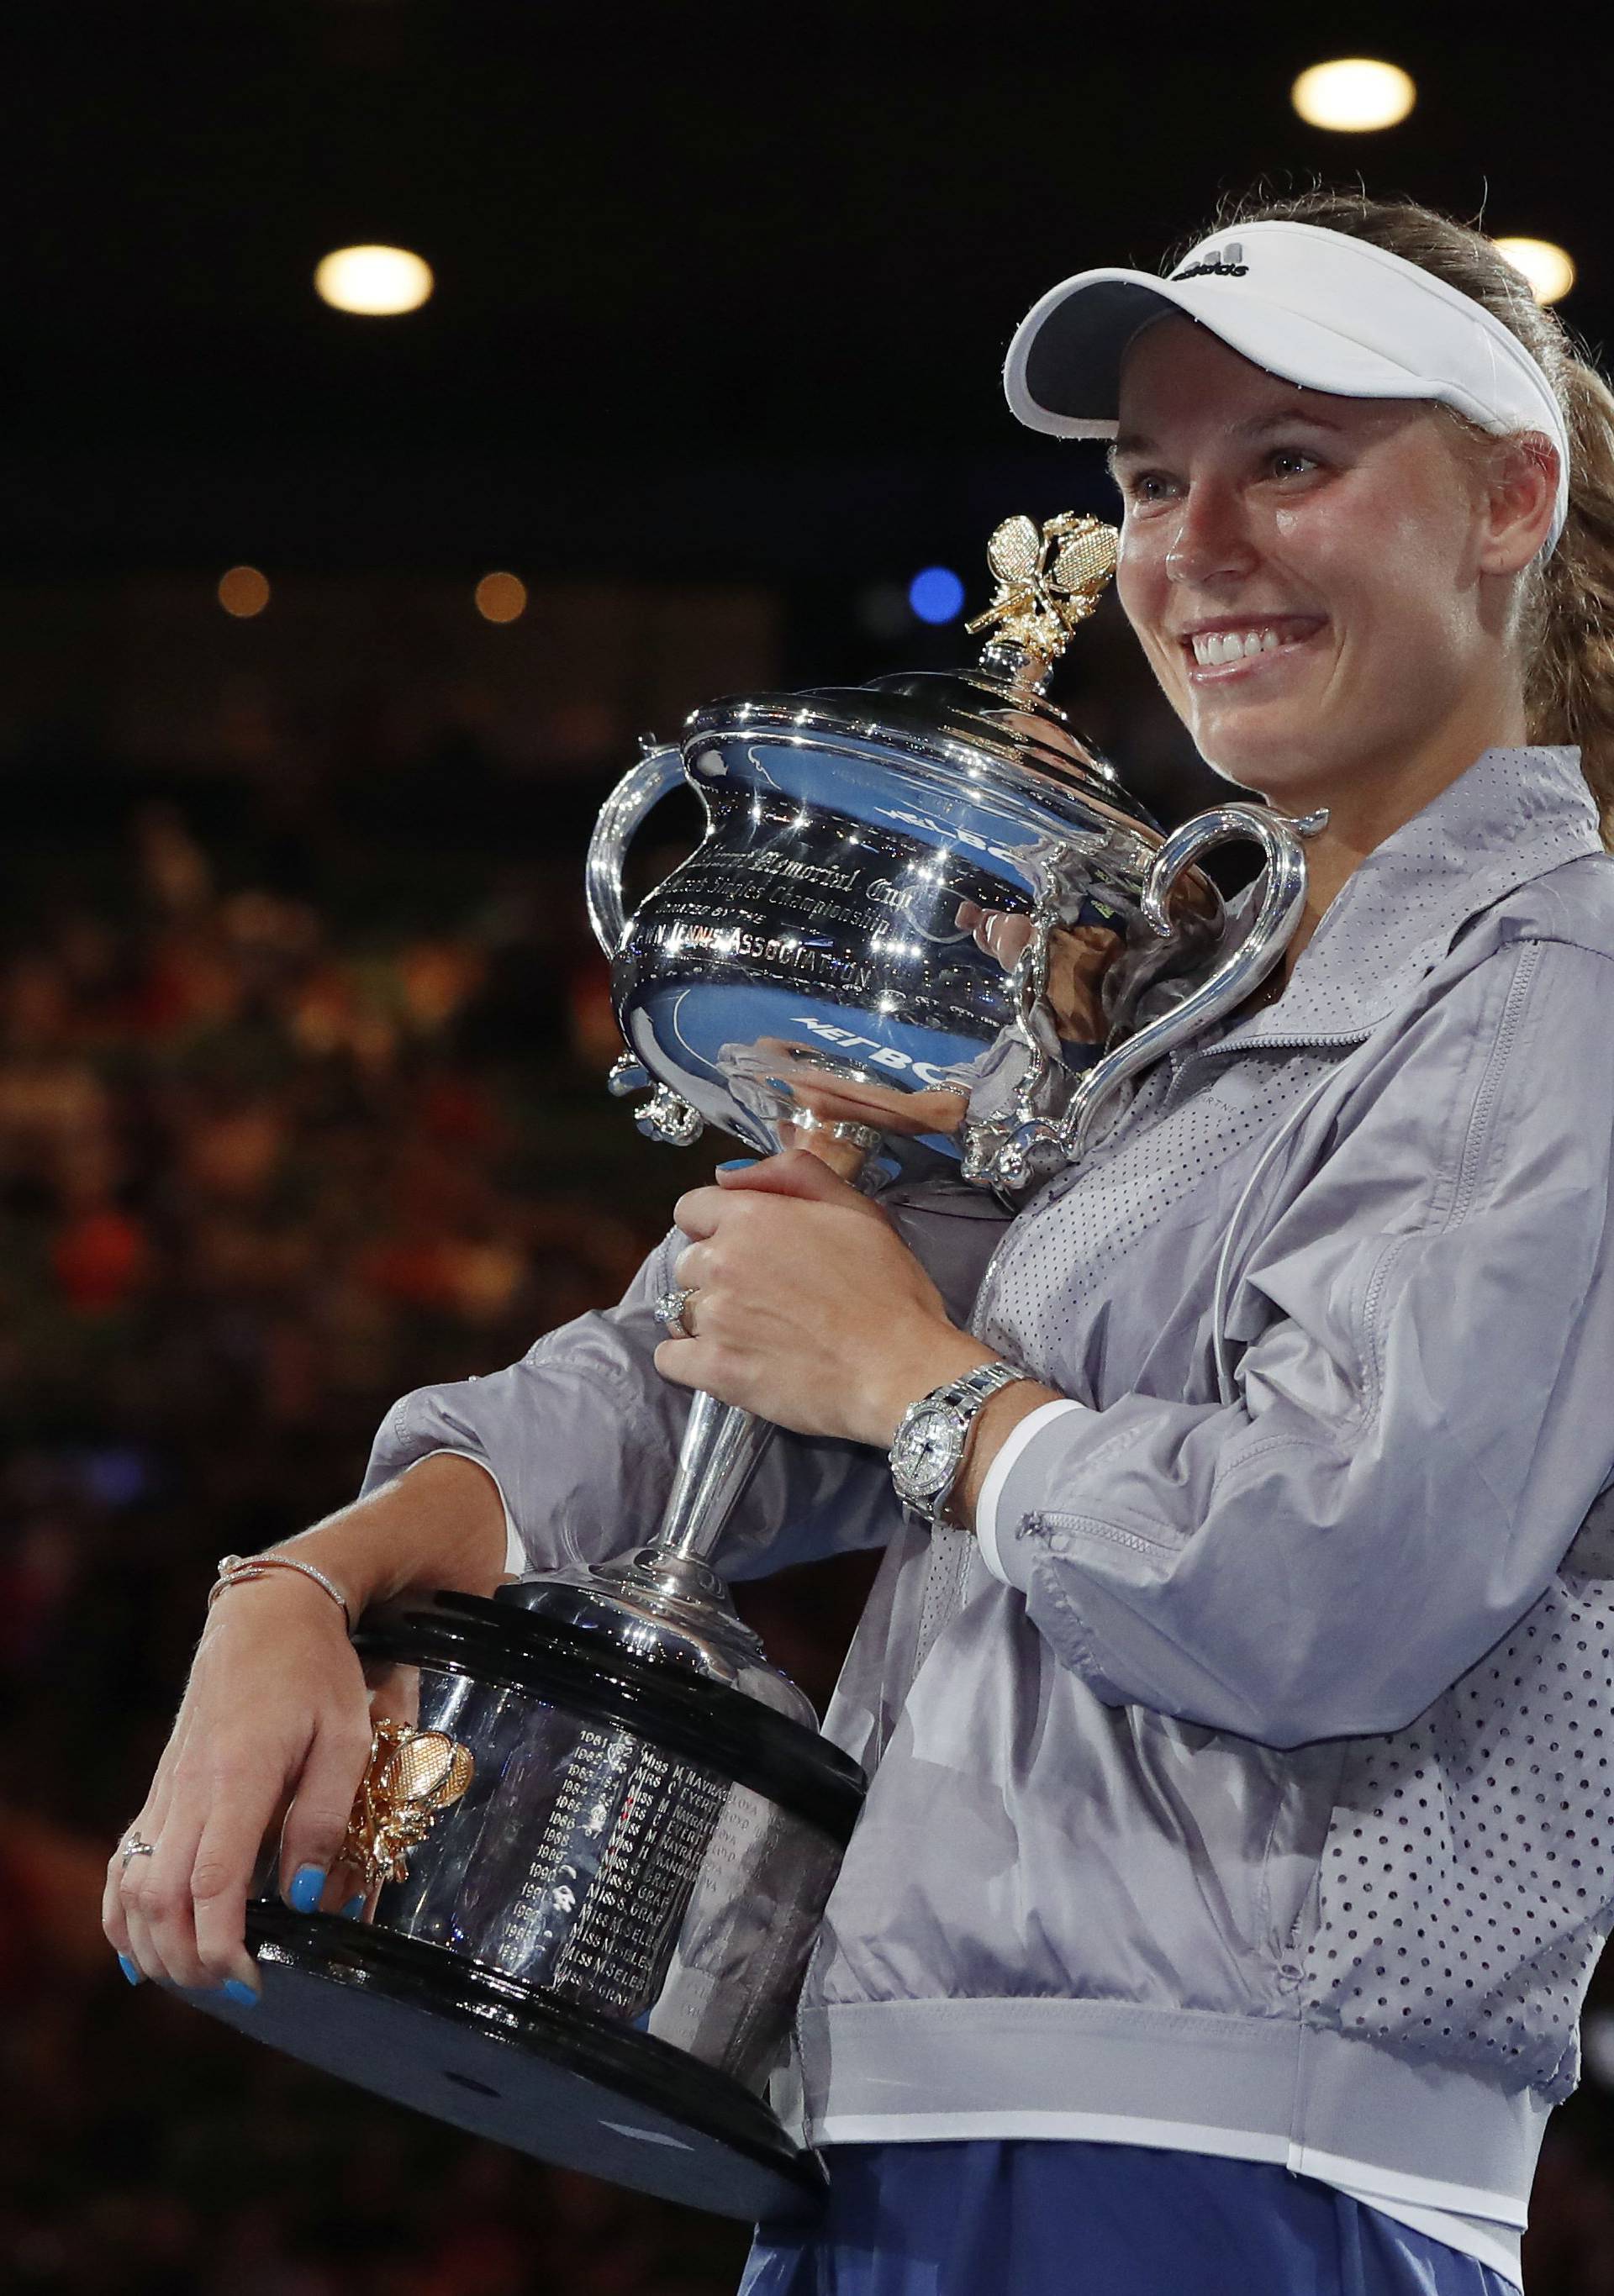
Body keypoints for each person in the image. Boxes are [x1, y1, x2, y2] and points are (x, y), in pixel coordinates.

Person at [106, 187, 1614, 2296]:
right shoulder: (1185, 987)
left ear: (1506, 502)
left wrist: (930, 1393)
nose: (1199, 546)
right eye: (1155, 479)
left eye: (1295, 458)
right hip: (883, 2126)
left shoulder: (1558, 980)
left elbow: (1328, 1582)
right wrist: (313, 1575)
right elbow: (736, 1339)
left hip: (1226, 2171)